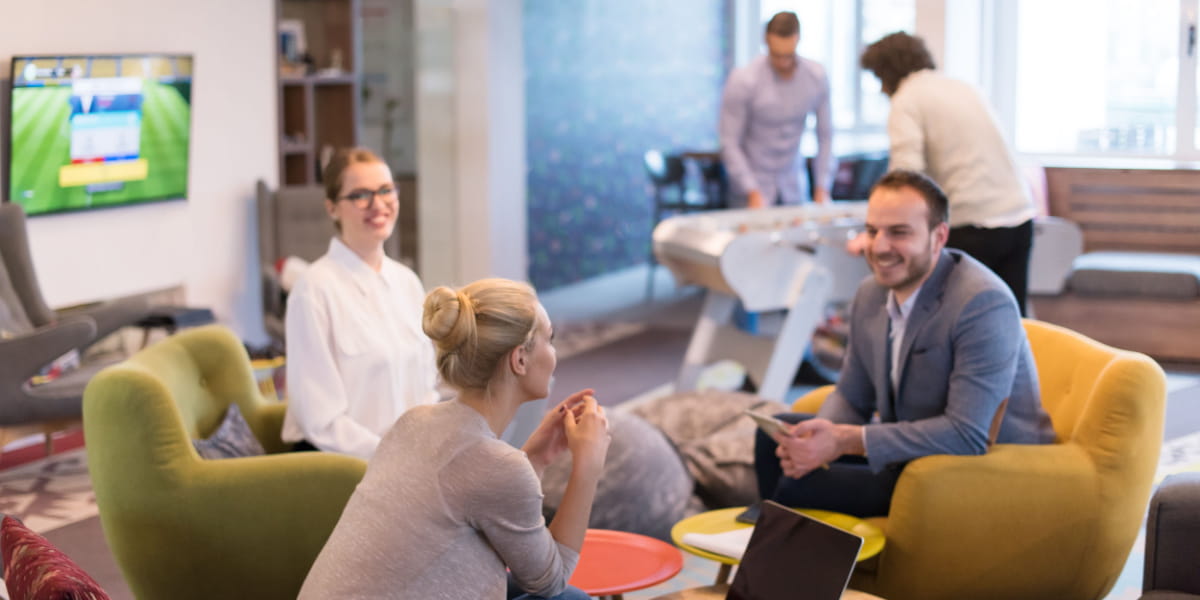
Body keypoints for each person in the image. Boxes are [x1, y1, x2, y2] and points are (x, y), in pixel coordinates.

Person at [753, 170, 1055, 518]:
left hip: (981, 469)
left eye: (899, 233)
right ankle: (783, 559)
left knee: (802, 488)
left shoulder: (982, 302)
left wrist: (842, 441)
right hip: (915, 455)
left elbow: (967, 435)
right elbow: (852, 395)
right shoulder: (871, 293)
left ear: (938, 236)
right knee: (775, 440)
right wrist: (821, 440)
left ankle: (777, 559)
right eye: (872, 231)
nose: (879, 247)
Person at [299, 278, 611, 600]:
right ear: (519, 360)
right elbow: (551, 580)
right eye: (551, 339)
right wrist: (588, 466)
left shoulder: (413, 423)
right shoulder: (495, 466)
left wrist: (536, 457)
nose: (555, 352)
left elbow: (480, 494)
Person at [861, 31, 1037, 316]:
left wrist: (877, 229)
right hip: (1018, 215)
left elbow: (905, 177)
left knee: (954, 320)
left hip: (973, 224)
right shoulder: (962, 87)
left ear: (886, 72)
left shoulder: (907, 98)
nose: (881, 89)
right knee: (1012, 320)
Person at [282, 147, 439, 460]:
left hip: (409, 457)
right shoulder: (313, 290)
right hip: (343, 465)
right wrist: (393, 457)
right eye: (360, 195)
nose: (378, 204)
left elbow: (427, 388)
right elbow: (321, 421)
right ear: (332, 208)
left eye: (385, 190)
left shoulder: (406, 281)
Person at [720, 11, 833, 208]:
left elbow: (825, 135)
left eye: (788, 55)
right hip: (752, 187)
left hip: (794, 187)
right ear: (766, 42)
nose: (783, 63)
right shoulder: (743, 80)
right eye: (777, 55)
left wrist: (823, 186)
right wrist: (750, 188)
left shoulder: (816, 77)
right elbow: (729, 141)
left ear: (798, 40)